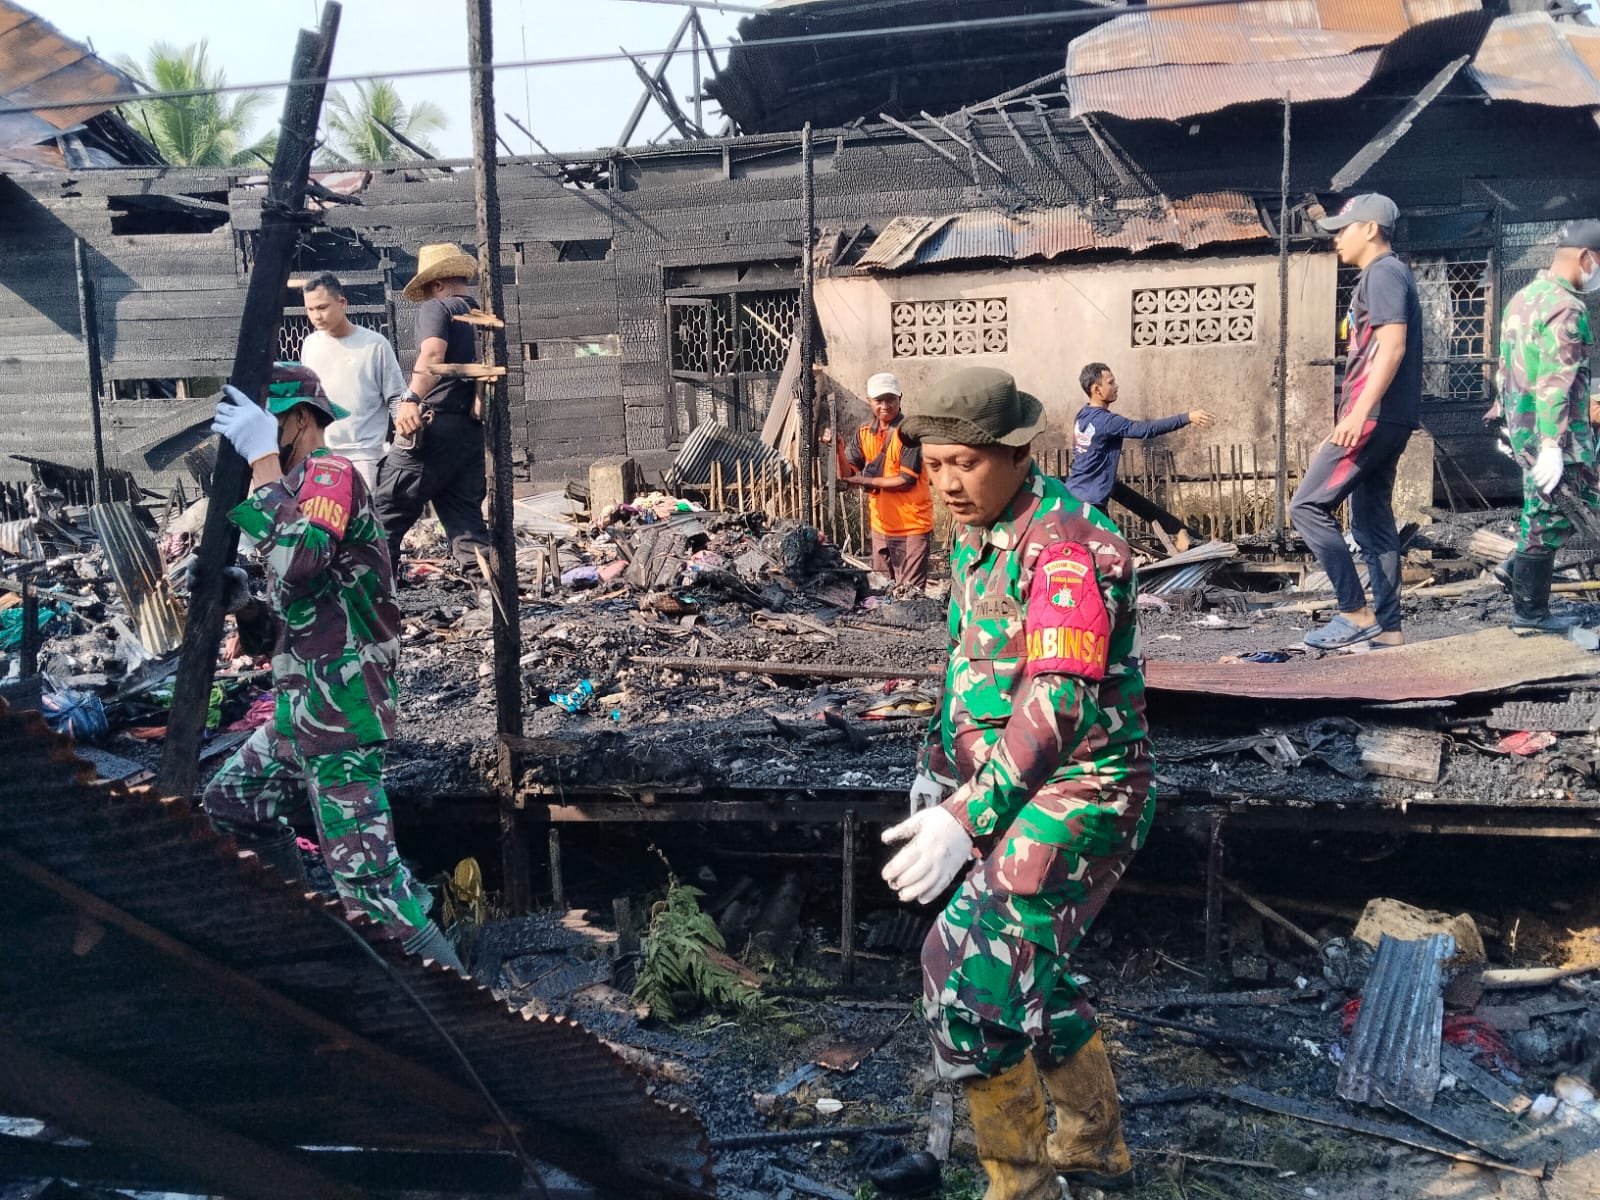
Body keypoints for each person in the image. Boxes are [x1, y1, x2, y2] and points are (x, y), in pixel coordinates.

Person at [881, 366, 1153, 1198]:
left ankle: (1023, 1187)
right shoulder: (978, 534)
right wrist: (937, 775)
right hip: (1003, 791)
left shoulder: (1068, 545)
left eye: (964, 463)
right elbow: (970, 668)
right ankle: (1095, 1152)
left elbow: (1059, 699)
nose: (947, 484)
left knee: (963, 979)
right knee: (1031, 974)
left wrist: (970, 816)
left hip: (1084, 793)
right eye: (934, 465)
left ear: (1015, 451)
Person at [202, 362, 461, 971]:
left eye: (265, 427)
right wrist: (245, 604)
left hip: (342, 710)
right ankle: (309, 922)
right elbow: (300, 615)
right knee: (235, 801)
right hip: (303, 711)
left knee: (372, 887)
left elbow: (300, 559)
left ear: (294, 420)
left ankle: (466, 1018)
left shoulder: (329, 473)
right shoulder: (293, 495)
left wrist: (263, 463)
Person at [1291, 193, 1421, 650]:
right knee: (1372, 524)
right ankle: (1389, 631)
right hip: (1392, 417)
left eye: (1343, 230)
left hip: (1375, 416)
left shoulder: (1382, 272)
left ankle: (1353, 611)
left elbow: (1393, 347)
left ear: (1370, 228)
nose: (1336, 241)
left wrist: (1358, 413)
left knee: (1305, 507)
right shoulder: (1389, 274)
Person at [1490, 221, 1600, 632]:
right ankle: (1530, 614)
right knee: (1549, 516)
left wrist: (1505, 421)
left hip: (1526, 429)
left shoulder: (1524, 298)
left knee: (1576, 505)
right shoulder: (1567, 307)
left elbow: (1505, 367)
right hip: (1559, 436)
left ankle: (1513, 570)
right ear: (1586, 258)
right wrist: (1553, 443)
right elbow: (1556, 379)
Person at [373, 243, 492, 570]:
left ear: (437, 284)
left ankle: (373, 602)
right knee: (466, 524)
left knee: (386, 511)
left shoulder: (438, 309)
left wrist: (410, 398)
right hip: (468, 434)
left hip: (431, 429)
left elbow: (433, 356)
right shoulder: (482, 316)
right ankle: (494, 605)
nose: (427, 296)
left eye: (427, 290)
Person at [1065, 362, 1212, 548]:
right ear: (1096, 389)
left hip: (1073, 498)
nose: (1116, 386)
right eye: (1110, 383)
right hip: (1090, 505)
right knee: (1110, 555)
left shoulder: (1083, 415)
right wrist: (1187, 417)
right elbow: (1146, 430)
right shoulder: (1107, 421)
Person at [298, 271, 411, 491]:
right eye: (310, 310)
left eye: (322, 307)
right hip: (322, 454)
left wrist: (404, 448)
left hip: (365, 455)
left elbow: (396, 398)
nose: (316, 316)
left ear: (342, 303)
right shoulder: (310, 345)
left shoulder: (375, 345)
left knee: (365, 521)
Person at [828, 372, 935, 589]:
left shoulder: (908, 433)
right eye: (879, 400)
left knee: (910, 595)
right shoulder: (864, 433)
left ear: (900, 399)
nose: (885, 405)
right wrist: (838, 448)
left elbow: (906, 480)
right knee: (881, 594)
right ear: (870, 401)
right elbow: (847, 474)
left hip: (912, 526)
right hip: (881, 527)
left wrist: (866, 482)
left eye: (890, 399)